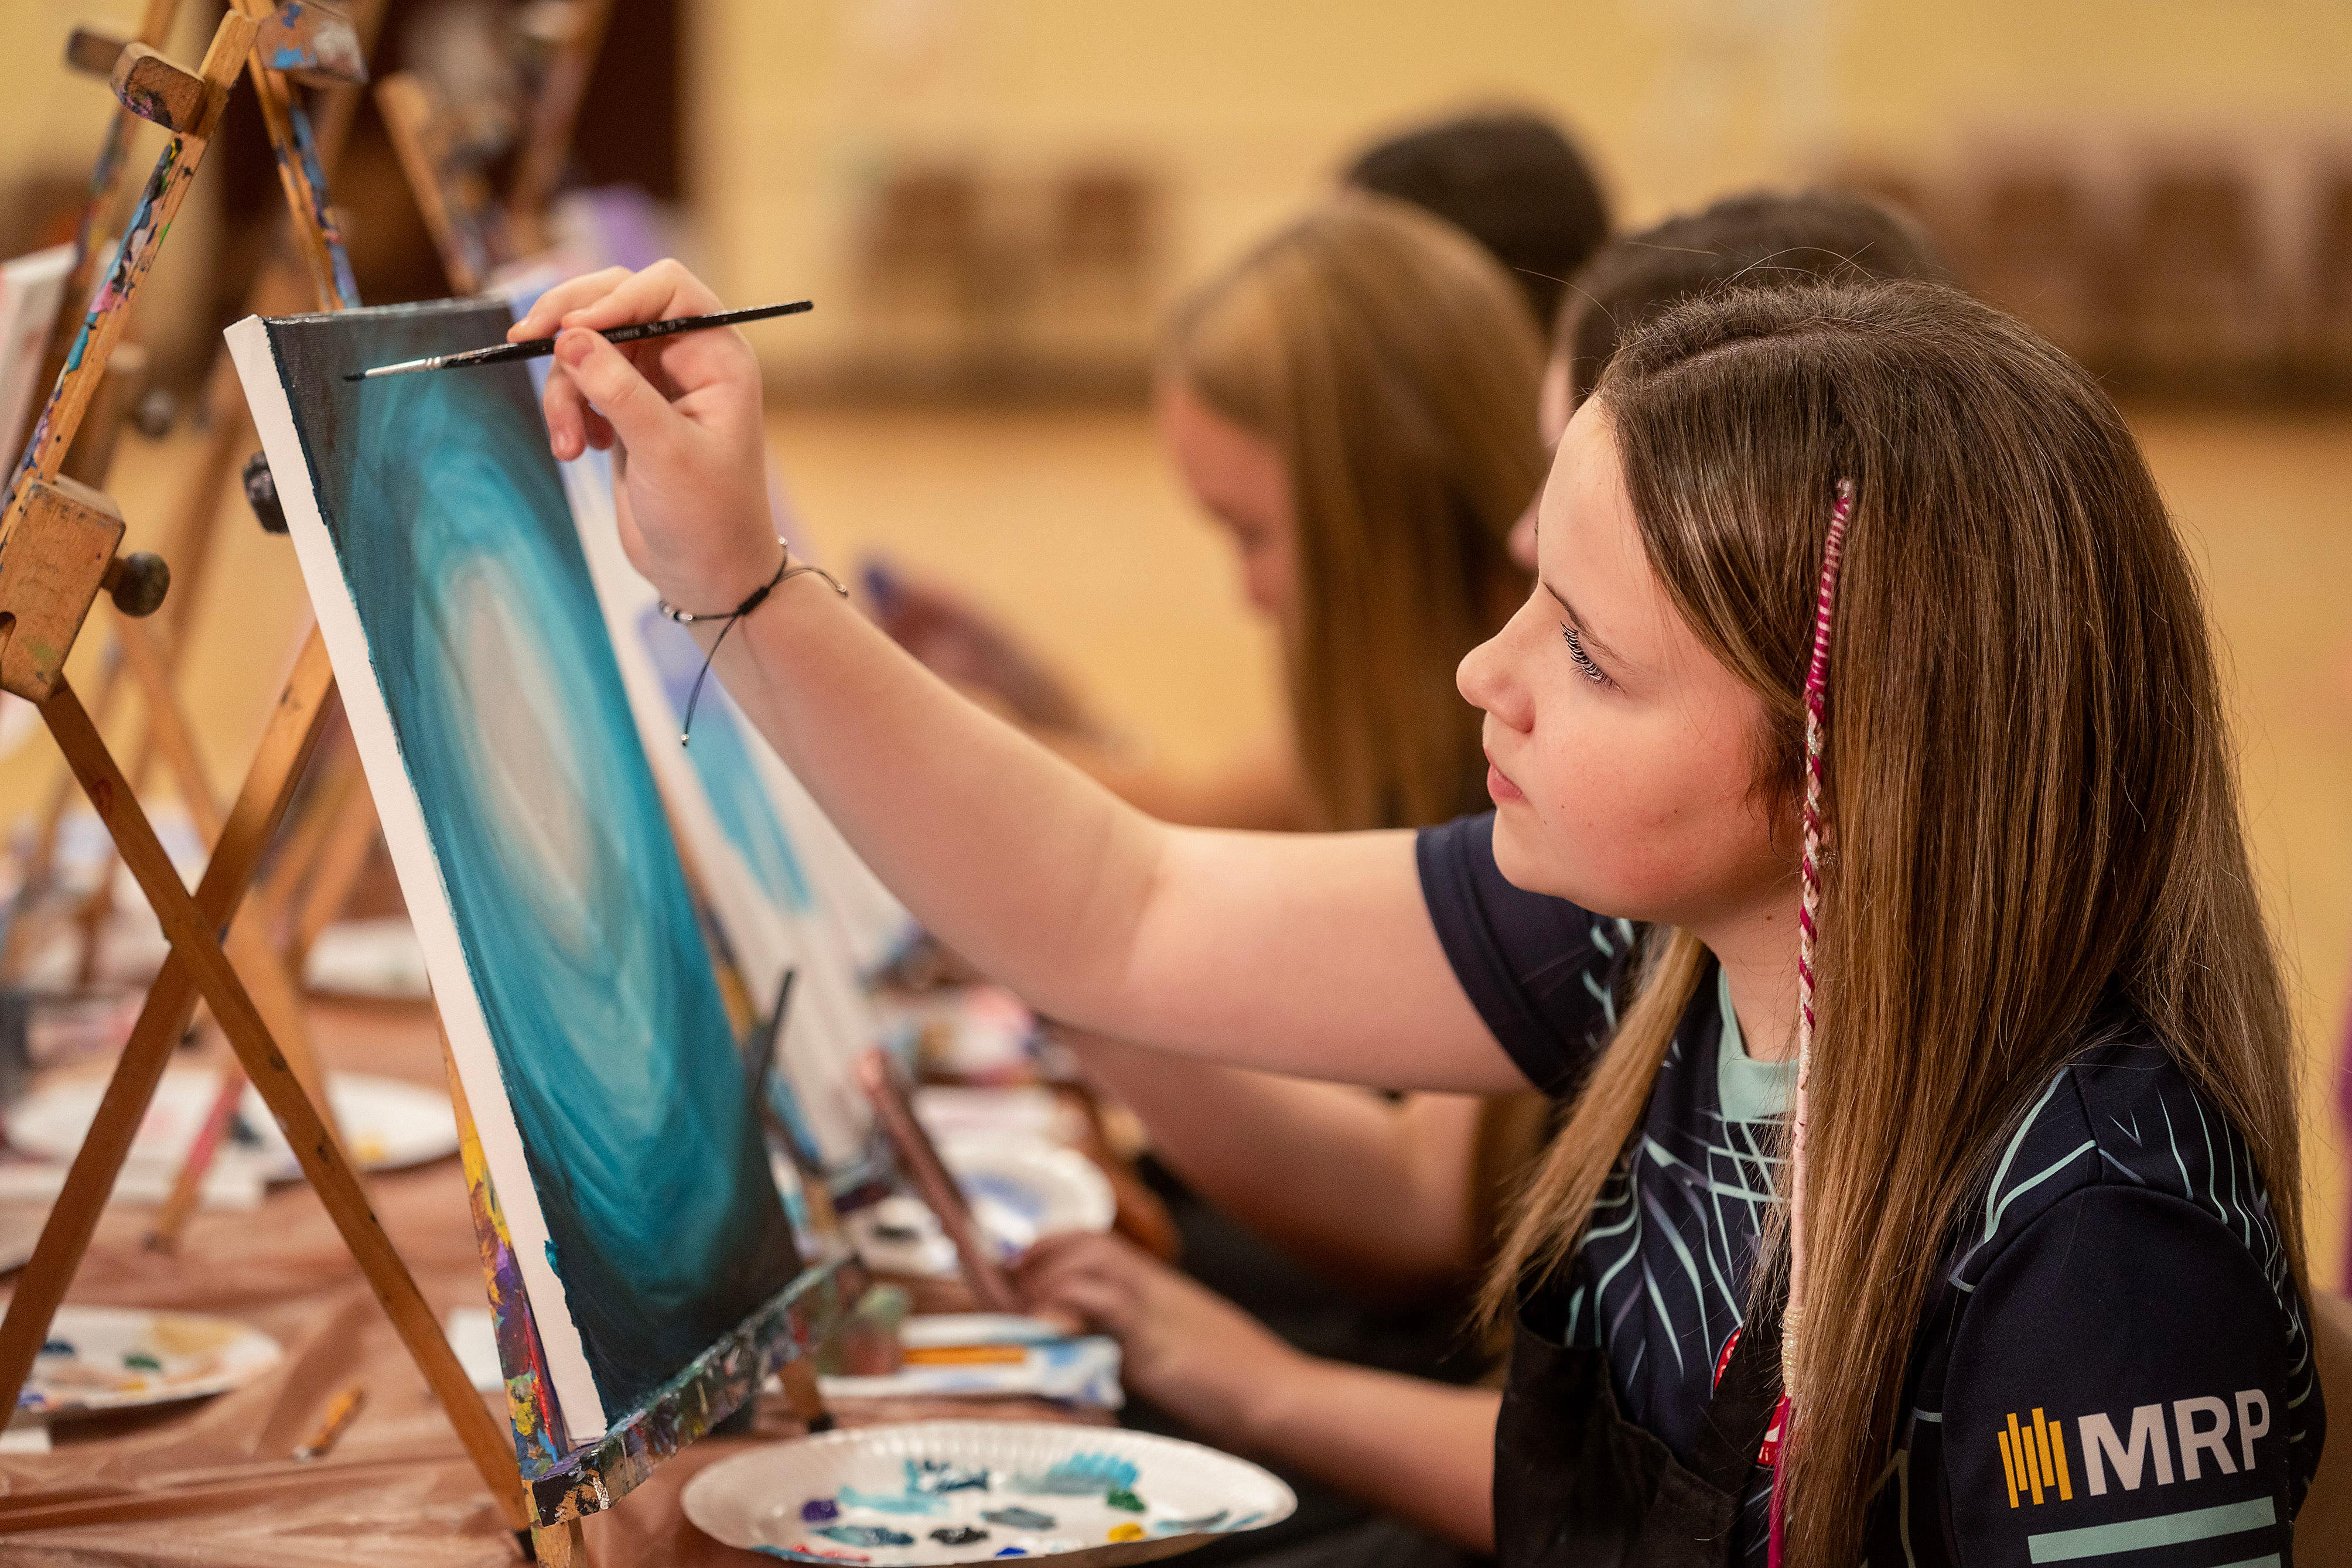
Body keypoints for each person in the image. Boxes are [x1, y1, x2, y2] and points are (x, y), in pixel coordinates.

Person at [514, 262, 2323, 1565]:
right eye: (1535, 596)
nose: (1486, 672)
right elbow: (1114, 908)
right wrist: (734, 578)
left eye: (1592, 660)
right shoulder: (1662, 942)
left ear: (1853, 762)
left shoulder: (2104, 1254)